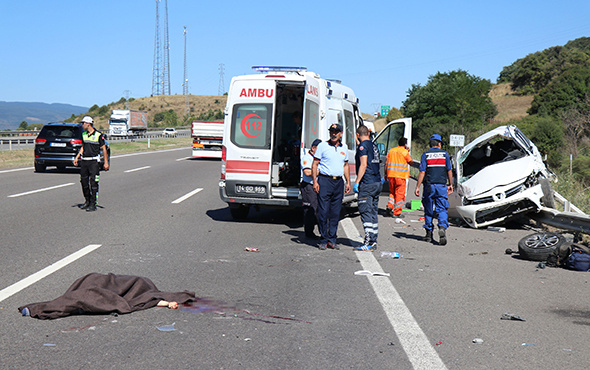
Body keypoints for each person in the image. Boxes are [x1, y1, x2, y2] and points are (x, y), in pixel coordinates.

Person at [19, 273, 195, 320]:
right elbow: (149, 299)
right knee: (89, 289)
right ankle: (44, 308)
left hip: (105, 286)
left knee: (88, 295)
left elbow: (150, 300)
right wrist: (167, 303)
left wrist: (167, 303)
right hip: (104, 282)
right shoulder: (144, 285)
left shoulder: (146, 290)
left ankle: (44, 308)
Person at [312, 123, 351, 250]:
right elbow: (315, 164)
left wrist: (348, 182)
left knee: (335, 213)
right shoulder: (323, 146)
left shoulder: (343, 147)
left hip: (338, 182)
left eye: (336, 132)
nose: (334, 134)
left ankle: (332, 239)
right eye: (332, 131)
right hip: (324, 181)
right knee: (323, 212)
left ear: (341, 134)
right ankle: (323, 239)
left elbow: (345, 166)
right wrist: (315, 181)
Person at [414, 134, 453, 245]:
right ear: (439, 144)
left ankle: (428, 234)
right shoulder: (445, 154)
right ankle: (442, 226)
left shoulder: (425, 155)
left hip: (429, 186)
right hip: (441, 186)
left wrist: (417, 186)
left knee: (428, 210)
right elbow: (449, 171)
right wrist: (450, 184)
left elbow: (422, 172)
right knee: (442, 208)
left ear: (430, 144)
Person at [353, 125, 382, 251]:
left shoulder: (362, 146)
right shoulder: (374, 145)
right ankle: (374, 239)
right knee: (373, 212)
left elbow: (363, 164)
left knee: (365, 211)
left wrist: (357, 182)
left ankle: (369, 241)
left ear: (358, 135)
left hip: (367, 183)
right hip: (377, 182)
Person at [74, 116, 109, 212]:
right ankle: (87, 201)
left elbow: (104, 148)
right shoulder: (84, 134)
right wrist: (77, 157)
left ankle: (93, 203)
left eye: (83, 123)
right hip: (84, 161)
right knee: (84, 182)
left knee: (93, 182)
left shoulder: (98, 135)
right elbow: (83, 147)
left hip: (94, 162)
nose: (82, 125)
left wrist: (106, 162)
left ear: (88, 124)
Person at [385, 137, 414, 218]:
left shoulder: (391, 151)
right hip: (400, 176)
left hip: (391, 175)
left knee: (392, 192)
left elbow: (386, 163)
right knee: (399, 194)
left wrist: (385, 174)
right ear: (405, 144)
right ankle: (396, 212)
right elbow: (410, 162)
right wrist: (408, 152)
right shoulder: (405, 152)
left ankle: (390, 206)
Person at [301, 139, 322, 239]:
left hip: (318, 185)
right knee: (310, 210)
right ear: (313, 148)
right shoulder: (307, 158)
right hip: (308, 186)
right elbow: (307, 172)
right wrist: (322, 171)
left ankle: (322, 232)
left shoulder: (318, 158)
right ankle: (309, 233)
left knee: (319, 209)